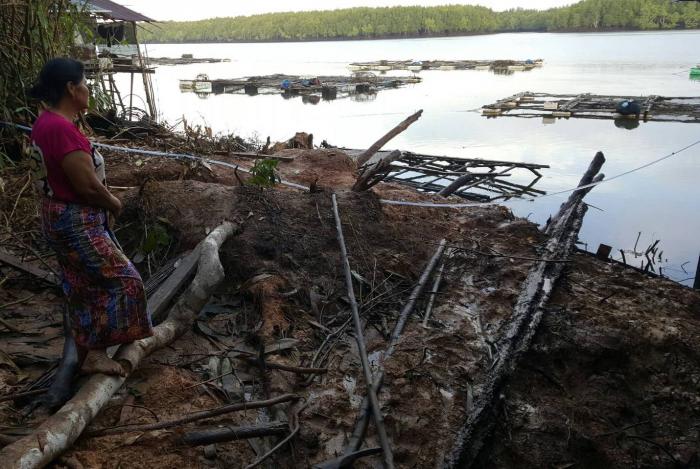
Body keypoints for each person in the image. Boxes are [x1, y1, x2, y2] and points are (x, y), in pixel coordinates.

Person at [29, 58, 153, 378]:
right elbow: (86, 186)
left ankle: (89, 350)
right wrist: (113, 203)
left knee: (84, 283)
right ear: (71, 89)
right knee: (125, 282)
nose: (88, 89)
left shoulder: (45, 123)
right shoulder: (59, 129)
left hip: (58, 215)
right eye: (85, 83)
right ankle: (97, 351)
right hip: (75, 221)